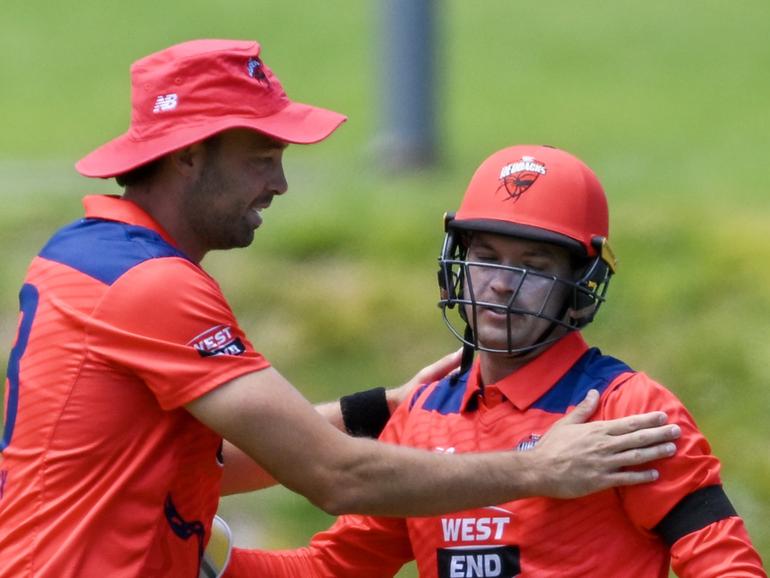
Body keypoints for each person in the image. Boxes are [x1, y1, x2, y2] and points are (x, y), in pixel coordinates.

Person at [0, 40, 681, 578]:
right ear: (188, 156)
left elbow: (214, 463)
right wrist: (536, 468)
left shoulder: (82, 255)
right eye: (263, 157)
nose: (281, 182)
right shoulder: (154, 286)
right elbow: (335, 475)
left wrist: (389, 407)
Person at [225, 145, 766, 577]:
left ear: (580, 284)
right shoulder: (421, 413)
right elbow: (332, 568)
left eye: (534, 265)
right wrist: (208, 558)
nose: (503, 284)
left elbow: (724, 562)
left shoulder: (628, 409)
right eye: (486, 258)